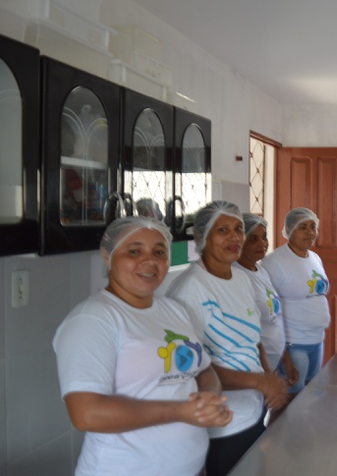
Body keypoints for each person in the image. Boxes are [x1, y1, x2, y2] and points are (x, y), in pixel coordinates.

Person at [53, 217, 232, 476]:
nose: (150, 261)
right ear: (107, 256)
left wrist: (207, 399)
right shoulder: (93, 320)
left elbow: (204, 371)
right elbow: (86, 414)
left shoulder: (174, 310)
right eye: (134, 251)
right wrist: (182, 412)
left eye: (159, 252)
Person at [166, 201, 288, 476]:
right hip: (221, 424)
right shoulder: (189, 290)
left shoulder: (241, 279)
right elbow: (189, 368)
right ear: (202, 237)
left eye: (238, 229)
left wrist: (267, 378)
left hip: (253, 410)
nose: (234, 237)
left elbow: (253, 338)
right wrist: (258, 382)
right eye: (223, 230)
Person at [260, 207, 331, 395]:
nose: (310, 232)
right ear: (289, 230)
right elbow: (267, 309)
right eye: (302, 227)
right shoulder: (275, 262)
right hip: (293, 343)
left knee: (311, 393)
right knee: (292, 396)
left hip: (316, 339)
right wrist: (283, 354)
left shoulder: (314, 258)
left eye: (313, 227)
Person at [234, 213, 299, 390]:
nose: (262, 243)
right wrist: (266, 374)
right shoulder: (236, 277)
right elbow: (248, 331)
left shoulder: (259, 270)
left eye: (264, 237)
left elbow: (275, 319)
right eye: (253, 239)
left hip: (273, 362)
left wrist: (286, 360)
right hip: (256, 368)